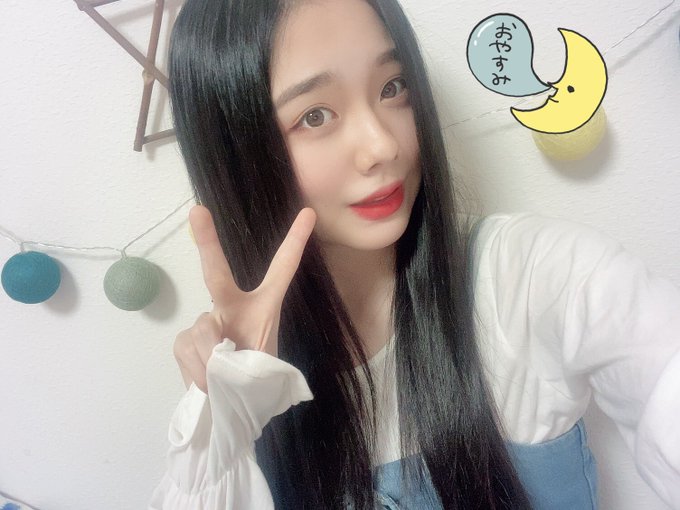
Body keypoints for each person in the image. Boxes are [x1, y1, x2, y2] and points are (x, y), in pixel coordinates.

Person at [150, 0, 680, 508]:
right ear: (237, 154)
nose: (384, 145)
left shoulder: (530, 279)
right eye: (315, 115)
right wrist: (222, 430)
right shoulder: (244, 376)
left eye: (392, 86)